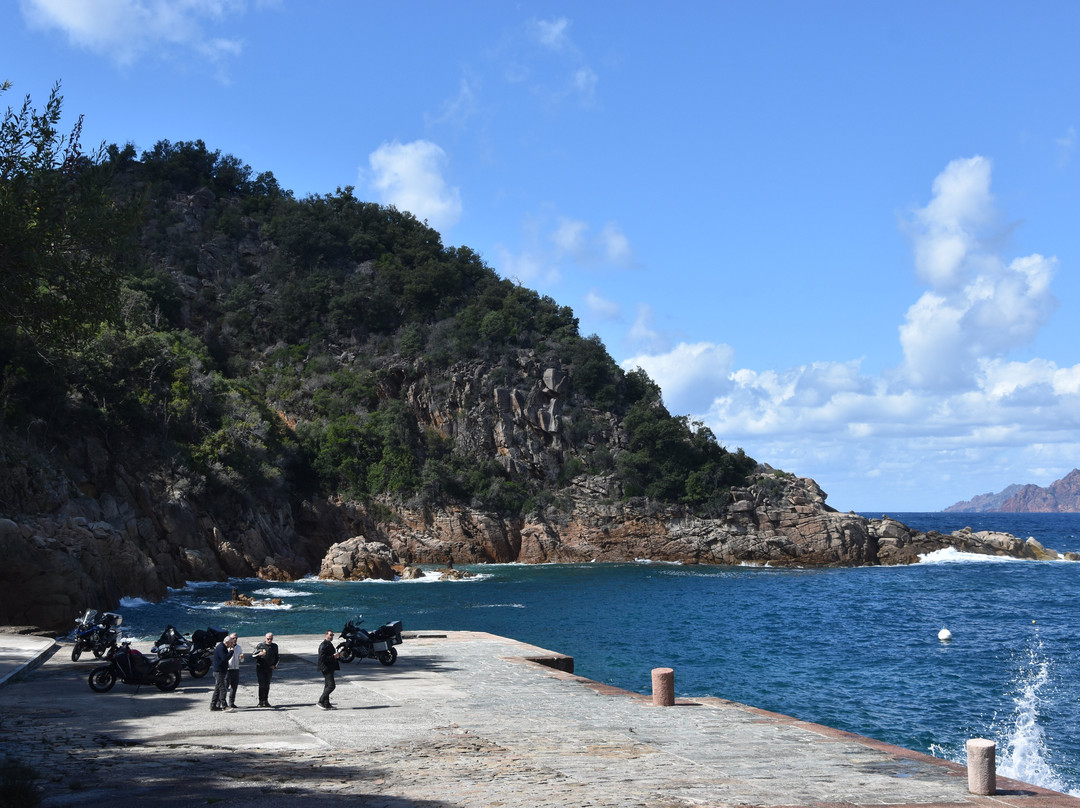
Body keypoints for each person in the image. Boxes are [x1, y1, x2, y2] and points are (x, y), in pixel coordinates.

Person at [210, 633, 236, 712]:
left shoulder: (223, 647)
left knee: (217, 689)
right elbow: (225, 658)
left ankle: (213, 705)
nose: (232, 645)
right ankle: (224, 706)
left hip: (220, 670)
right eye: (231, 643)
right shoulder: (221, 648)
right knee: (223, 688)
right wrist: (231, 652)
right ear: (227, 642)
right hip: (219, 671)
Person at [253, 631, 279, 708]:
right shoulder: (260, 645)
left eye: (271, 639)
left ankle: (266, 700)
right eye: (268, 639)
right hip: (260, 667)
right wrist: (259, 654)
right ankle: (260, 701)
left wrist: (274, 665)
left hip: (269, 668)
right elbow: (253, 655)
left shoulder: (274, 646)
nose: (269, 640)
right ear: (265, 638)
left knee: (267, 684)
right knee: (261, 685)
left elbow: (277, 657)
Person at [316, 629, 340, 709]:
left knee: (327, 685)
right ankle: (321, 701)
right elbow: (322, 658)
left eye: (333, 635)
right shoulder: (323, 645)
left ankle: (326, 703)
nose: (332, 636)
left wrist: (338, 656)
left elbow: (331, 656)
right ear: (326, 635)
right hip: (326, 668)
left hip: (330, 667)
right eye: (330, 635)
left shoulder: (329, 644)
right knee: (331, 686)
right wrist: (333, 656)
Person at [226, 632, 244, 709]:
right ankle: (221, 702)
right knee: (225, 686)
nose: (235, 639)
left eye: (236, 638)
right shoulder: (227, 647)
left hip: (236, 669)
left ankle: (231, 702)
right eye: (233, 638)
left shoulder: (239, 648)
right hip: (228, 669)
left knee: (234, 687)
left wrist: (242, 658)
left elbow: (241, 661)